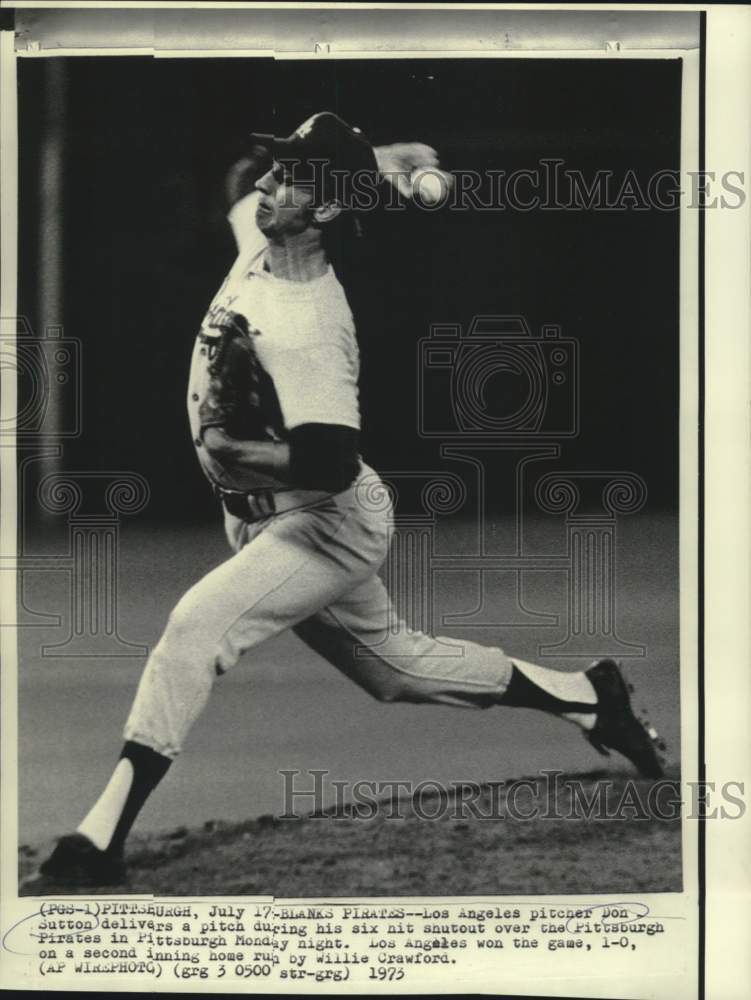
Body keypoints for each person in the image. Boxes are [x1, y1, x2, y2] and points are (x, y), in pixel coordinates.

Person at [37, 112, 664, 888]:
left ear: (328, 211)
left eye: (292, 177)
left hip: (321, 525)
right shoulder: (266, 238)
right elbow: (240, 185)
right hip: (267, 519)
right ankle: (589, 697)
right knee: (394, 670)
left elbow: (331, 463)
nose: (268, 185)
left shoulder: (310, 326)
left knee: (193, 629)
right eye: (278, 169)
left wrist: (235, 452)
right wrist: (383, 157)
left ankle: (98, 844)